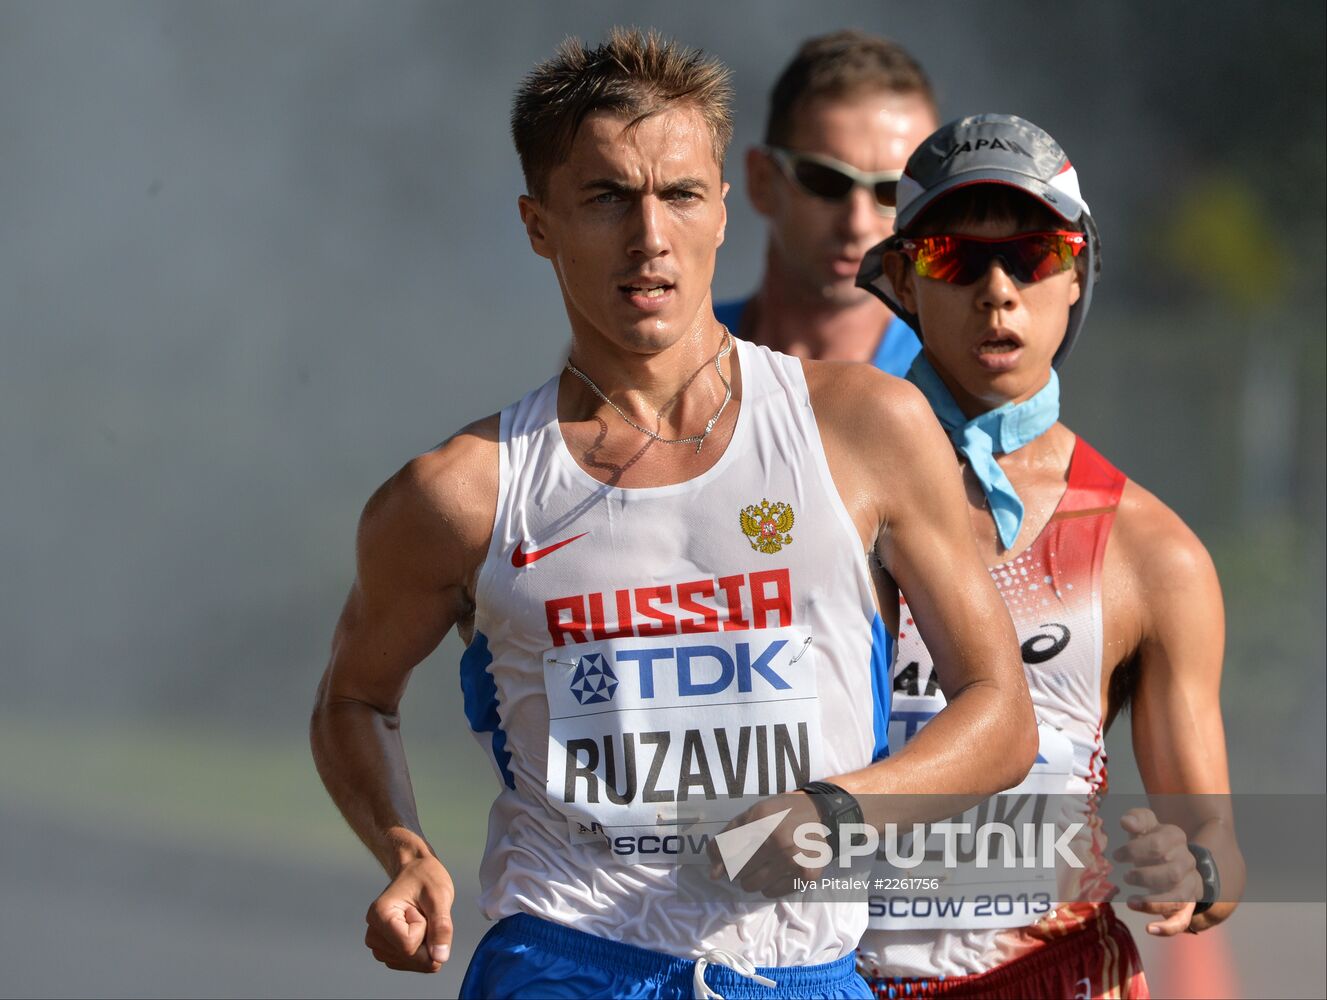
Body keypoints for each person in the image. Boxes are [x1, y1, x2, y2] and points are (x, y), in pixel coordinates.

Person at [310, 31, 1037, 1000]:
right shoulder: (463, 490)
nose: (648, 236)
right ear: (539, 223)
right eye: (607, 197)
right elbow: (353, 699)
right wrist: (405, 850)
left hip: (801, 969)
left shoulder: (864, 424)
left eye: (679, 195)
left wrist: (835, 812)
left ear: (723, 211)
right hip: (567, 959)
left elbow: (999, 711)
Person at [854, 114, 1244, 999]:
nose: (998, 291)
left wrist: (1191, 875)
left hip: (1055, 975)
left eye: (1032, 255)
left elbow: (1212, 843)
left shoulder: (1151, 550)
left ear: (1076, 277)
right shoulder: (822, 495)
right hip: (834, 974)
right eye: (956, 256)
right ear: (906, 283)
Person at [715, 30, 936, 374]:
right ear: (762, 180)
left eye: (894, 190)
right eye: (827, 180)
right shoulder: (665, 363)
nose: (857, 223)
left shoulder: (956, 386)